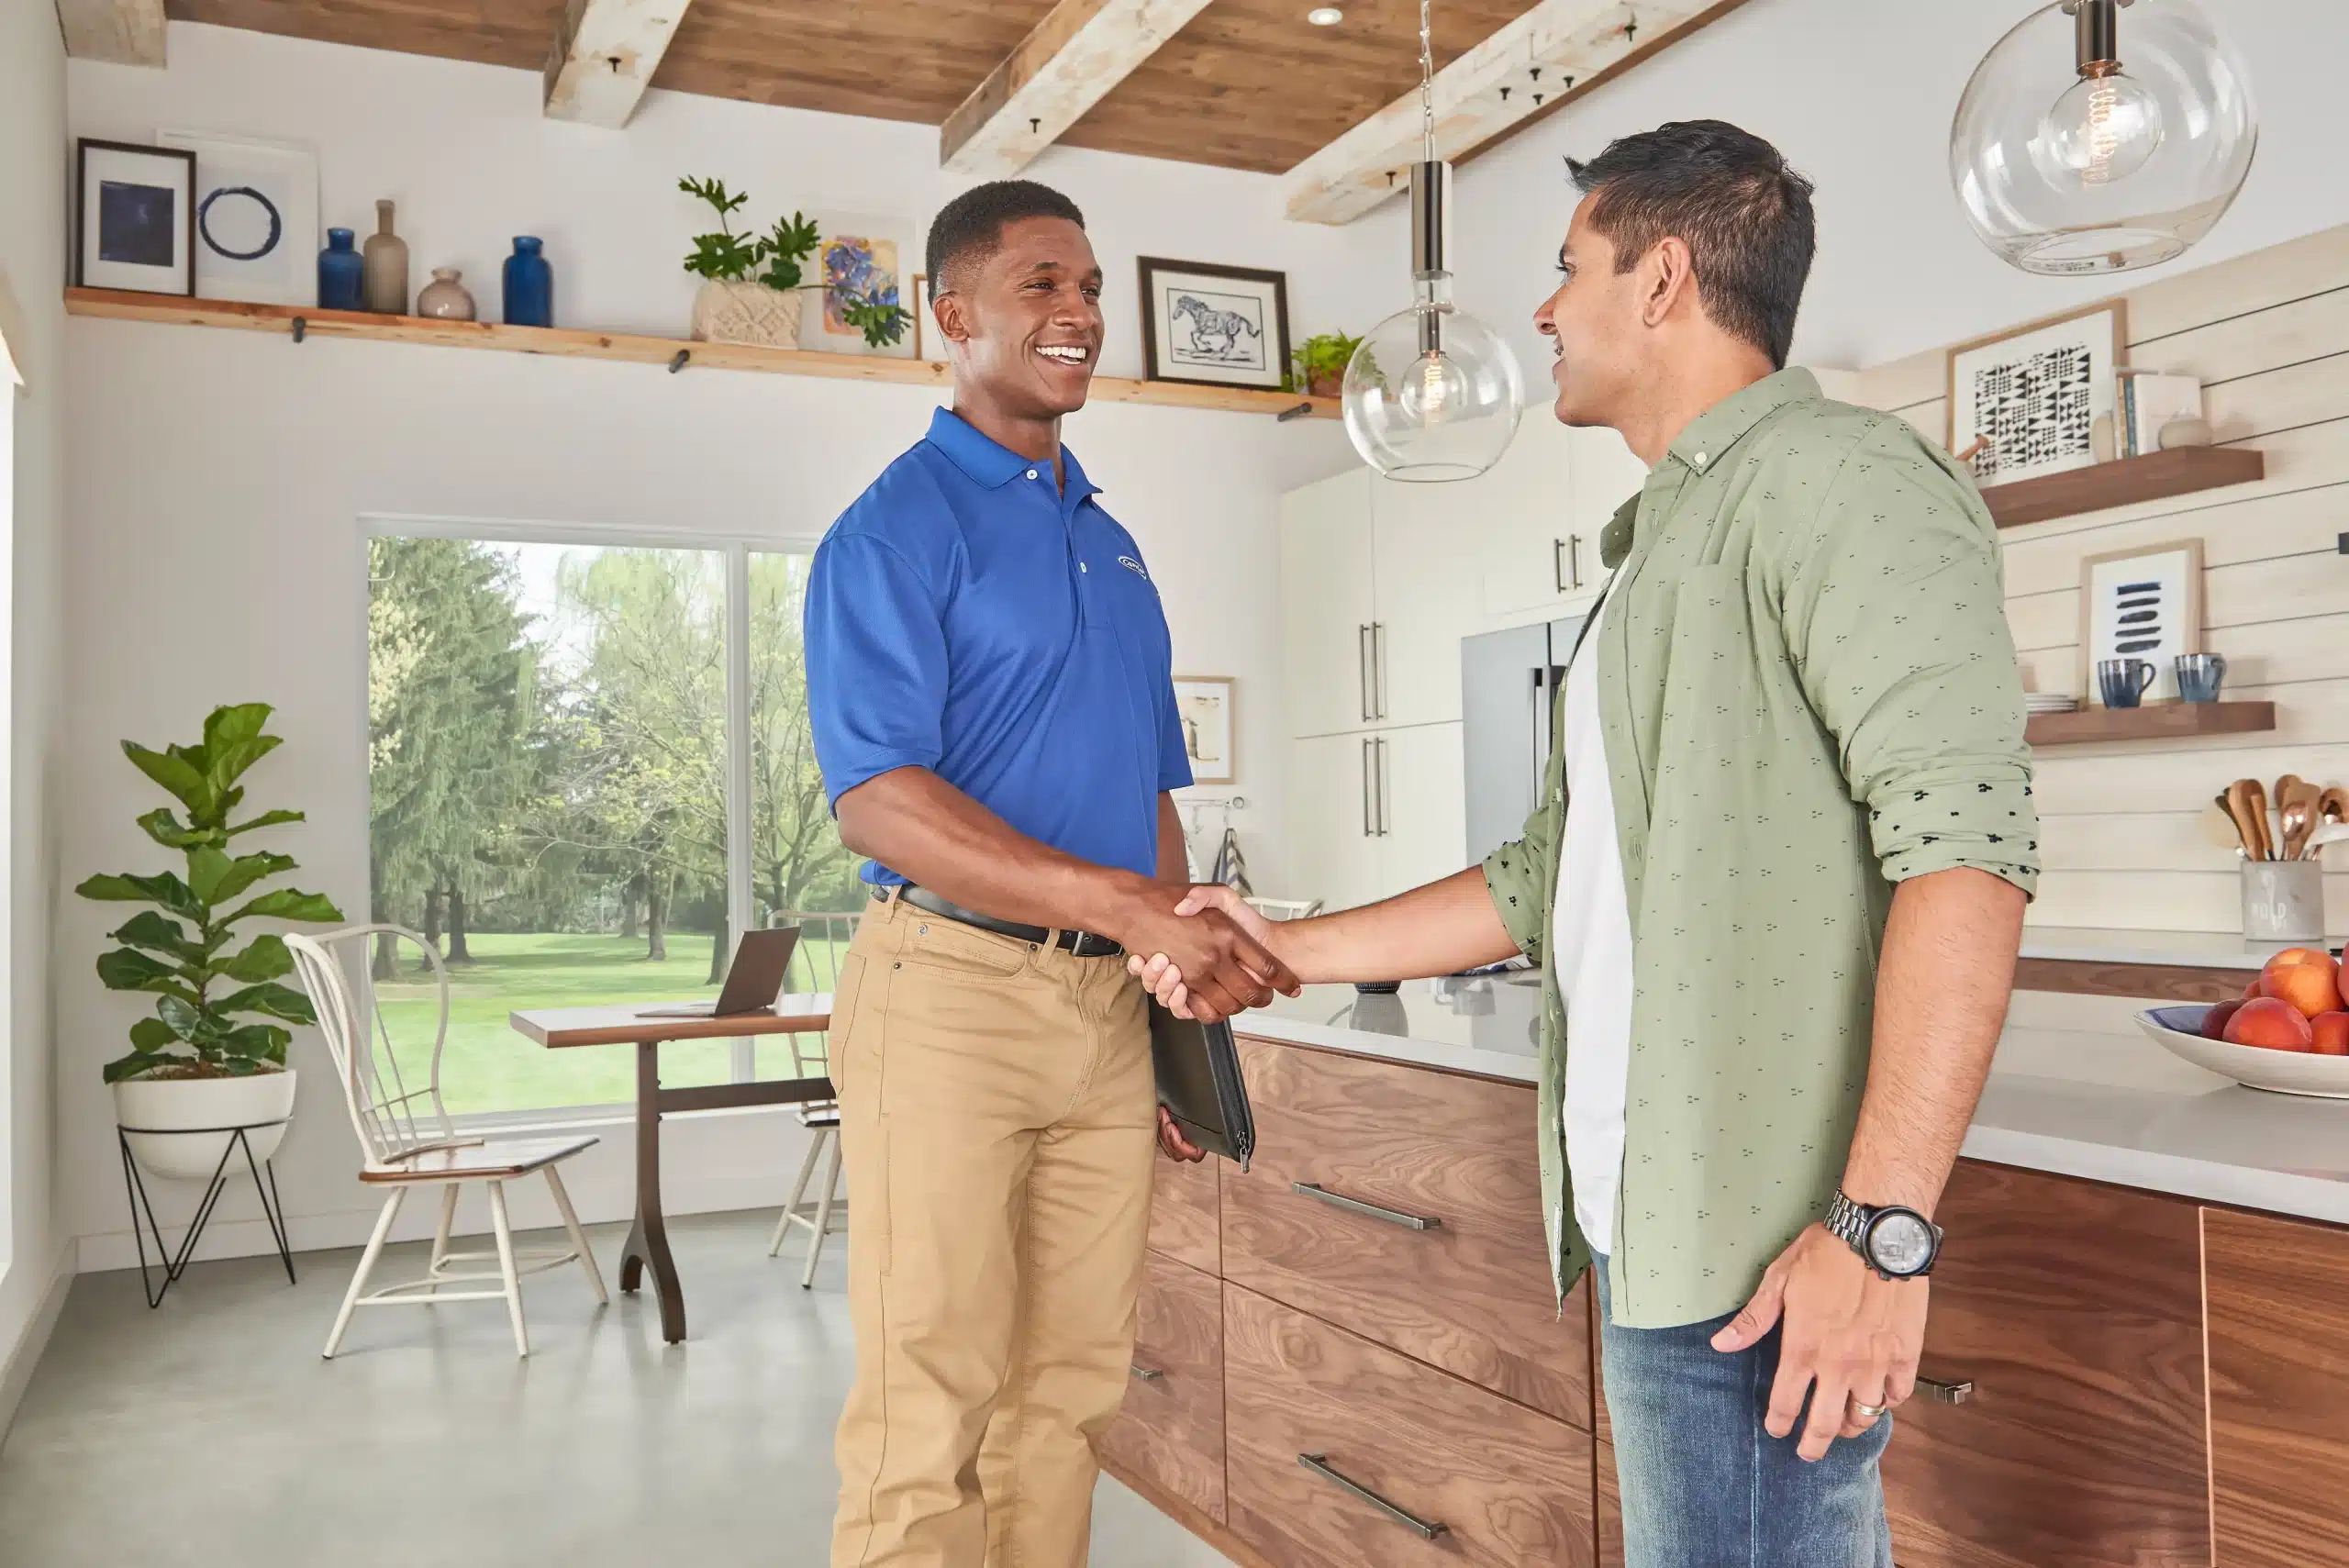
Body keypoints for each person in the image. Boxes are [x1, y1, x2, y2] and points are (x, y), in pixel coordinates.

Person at [1133, 121, 2038, 1568]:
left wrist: (1878, 1234)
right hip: (1660, 1221)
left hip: (1773, 1245)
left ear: (1665, 278)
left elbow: (1968, 853)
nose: (1545, 312)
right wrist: (1281, 948)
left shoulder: (1839, 481)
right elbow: (1544, 877)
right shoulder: (1659, 549)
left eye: (1570, 271)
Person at [801, 178, 1297, 1568]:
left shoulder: (1111, 542)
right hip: (946, 1000)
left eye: (1088, 287)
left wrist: (1165, 1015)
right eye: (1041, 284)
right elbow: (881, 804)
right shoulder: (892, 533)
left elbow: (1148, 802)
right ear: (951, 317)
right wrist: (1127, 911)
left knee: (1071, 1397)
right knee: (928, 1410)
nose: (1078, 311)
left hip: (1099, 1022)